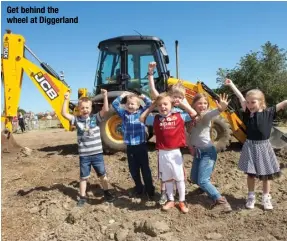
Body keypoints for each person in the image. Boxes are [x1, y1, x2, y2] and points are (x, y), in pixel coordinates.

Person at [225, 78, 286, 210]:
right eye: (248, 102)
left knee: (266, 175)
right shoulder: (248, 113)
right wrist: (232, 85)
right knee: (251, 174)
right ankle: (251, 196)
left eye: (253, 102)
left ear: (261, 102)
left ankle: (266, 197)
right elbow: (240, 97)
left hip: (264, 147)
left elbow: (284, 102)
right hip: (250, 147)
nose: (250, 104)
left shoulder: (269, 112)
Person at [147, 61, 197, 205]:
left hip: (178, 142)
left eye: (179, 97)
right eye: (174, 96)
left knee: (179, 169)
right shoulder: (165, 105)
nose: (176, 99)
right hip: (165, 143)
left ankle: (181, 190)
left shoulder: (181, 110)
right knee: (165, 171)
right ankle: (165, 193)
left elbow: (192, 114)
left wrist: (182, 101)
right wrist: (151, 73)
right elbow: (154, 92)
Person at [140, 92, 196, 213]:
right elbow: (141, 118)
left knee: (179, 178)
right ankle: (170, 200)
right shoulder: (155, 118)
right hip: (162, 153)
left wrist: (182, 104)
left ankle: (182, 200)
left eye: (165, 104)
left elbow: (193, 114)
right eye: (160, 105)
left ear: (171, 105)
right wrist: (151, 106)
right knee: (167, 179)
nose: (163, 107)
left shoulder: (179, 115)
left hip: (175, 152)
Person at [62, 90, 115, 206]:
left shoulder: (95, 118)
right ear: (78, 109)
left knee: (102, 175)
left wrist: (105, 96)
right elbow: (64, 114)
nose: (85, 110)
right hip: (84, 156)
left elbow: (105, 110)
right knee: (83, 177)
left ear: (91, 108)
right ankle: (82, 197)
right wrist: (66, 100)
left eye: (87, 107)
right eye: (82, 108)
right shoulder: (76, 120)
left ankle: (106, 192)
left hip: (97, 154)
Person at [186, 92, 232, 213]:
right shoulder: (191, 117)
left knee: (203, 180)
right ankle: (204, 188)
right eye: (200, 103)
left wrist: (220, 108)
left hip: (208, 152)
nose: (203, 105)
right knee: (194, 178)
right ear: (194, 104)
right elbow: (189, 134)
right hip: (198, 152)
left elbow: (214, 113)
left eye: (205, 103)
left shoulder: (206, 116)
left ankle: (221, 202)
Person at [112, 92, 155, 199]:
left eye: (133, 104)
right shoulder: (124, 114)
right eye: (128, 104)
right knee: (133, 170)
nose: (130, 106)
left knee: (145, 169)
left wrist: (144, 97)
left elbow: (150, 104)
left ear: (138, 105)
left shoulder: (142, 113)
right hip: (130, 148)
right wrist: (122, 96)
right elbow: (114, 104)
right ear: (125, 105)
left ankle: (150, 190)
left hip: (141, 146)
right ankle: (139, 188)